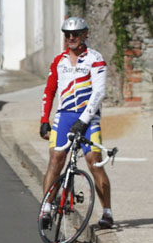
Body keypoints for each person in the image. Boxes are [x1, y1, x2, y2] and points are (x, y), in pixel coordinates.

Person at [39, 17, 114, 229]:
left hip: (88, 117)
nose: (71, 38)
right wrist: (44, 120)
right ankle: (46, 208)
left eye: (76, 34)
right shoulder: (59, 61)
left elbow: (99, 92)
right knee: (56, 159)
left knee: (94, 161)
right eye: (67, 34)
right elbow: (49, 91)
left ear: (85, 35)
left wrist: (83, 120)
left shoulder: (94, 59)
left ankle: (107, 212)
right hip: (64, 116)